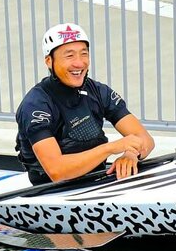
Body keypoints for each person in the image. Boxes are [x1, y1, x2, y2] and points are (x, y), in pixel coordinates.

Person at [15, 23, 155, 185]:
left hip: (96, 180)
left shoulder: (98, 91)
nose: (79, 63)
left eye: (84, 54)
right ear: (49, 61)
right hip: (52, 191)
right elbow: (57, 171)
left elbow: (146, 139)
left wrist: (131, 154)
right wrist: (110, 148)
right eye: (69, 56)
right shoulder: (35, 105)